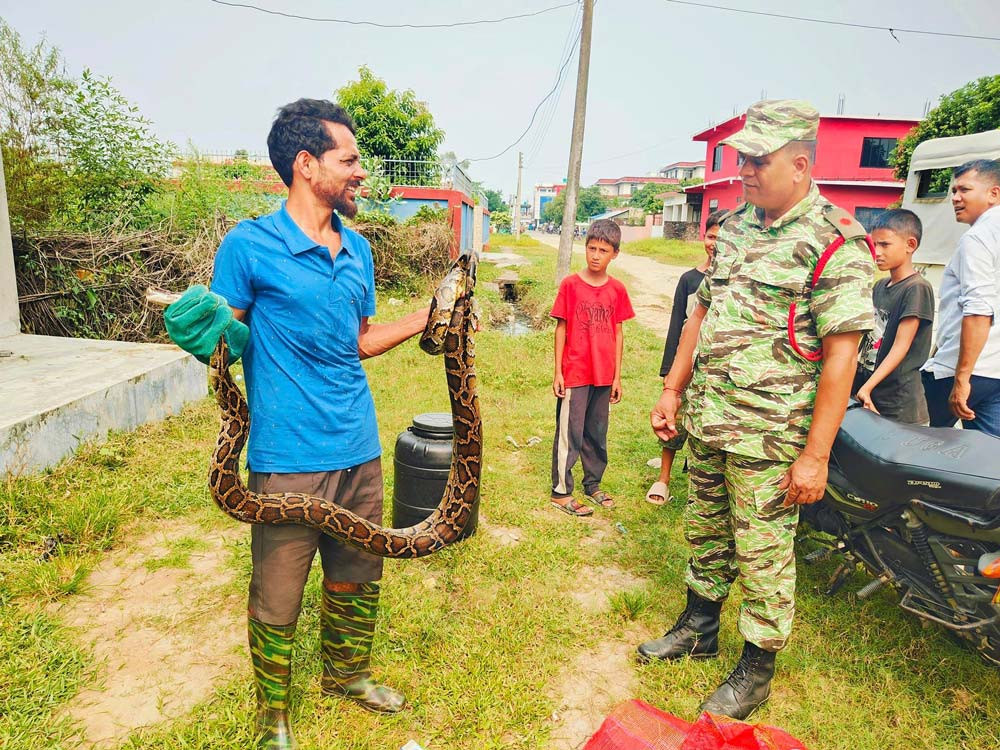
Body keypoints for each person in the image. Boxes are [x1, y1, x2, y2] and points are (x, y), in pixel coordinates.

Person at [163, 99, 430, 748]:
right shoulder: (249, 245)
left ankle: (348, 675)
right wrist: (207, 335)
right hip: (287, 457)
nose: (361, 172)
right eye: (350, 160)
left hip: (359, 445)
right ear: (307, 165)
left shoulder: (359, 250)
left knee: (357, 573)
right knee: (278, 592)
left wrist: (429, 317)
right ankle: (273, 716)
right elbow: (224, 337)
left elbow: (359, 341)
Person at [636, 100, 874, 720]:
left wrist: (815, 456)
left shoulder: (836, 241)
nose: (743, 169)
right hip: (711, 418)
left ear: (799, 165)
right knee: (706, 529)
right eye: (742, 157)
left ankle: (757, 668)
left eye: (758, 160)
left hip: (771, 437)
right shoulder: (738, 226)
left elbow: (842, 357)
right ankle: (699, 627)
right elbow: (702, 309)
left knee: (764, 551)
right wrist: (673, 389)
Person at [550, 219, 635, 516]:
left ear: (615, 254)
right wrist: (558, 372)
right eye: (592, 248)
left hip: (604, 375)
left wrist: (616, 377)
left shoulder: (617, 290)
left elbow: (618, 333)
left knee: (597, 433)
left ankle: (593, 484)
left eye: (603, 250)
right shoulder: (570, 285)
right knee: (570, 432)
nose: (596, 255)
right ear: (585, 248)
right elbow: (561, 328)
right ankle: (561, 491)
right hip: (575, 373)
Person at [646, 210, 726, 505]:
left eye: (721, 239)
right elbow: (676, 326)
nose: (714, 244)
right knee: (674, 421)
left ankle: (703, 484)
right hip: (687, 365)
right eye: (711, 236)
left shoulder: (737, 282)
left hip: (718, 368)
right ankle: (663, 478)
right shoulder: (689, 280)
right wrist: (669, 372)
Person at [921, 158, 1000, 436]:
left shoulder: (977, 238)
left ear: (994, 193)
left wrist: (962, 377)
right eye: (954, 191)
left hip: (959, 369)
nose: (955, 198)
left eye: (964, 190)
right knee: (987, 455)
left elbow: (979, 310)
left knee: (916, 441)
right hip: (995, 372)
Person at [854, 209, 935, 423]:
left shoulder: (916, 288)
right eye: (874, 245)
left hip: (899, 405)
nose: (877, 252)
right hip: (869, 396)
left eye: (885, 245)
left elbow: (901, 346)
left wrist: (867, 387)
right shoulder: (880, 286)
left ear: (910, 245)